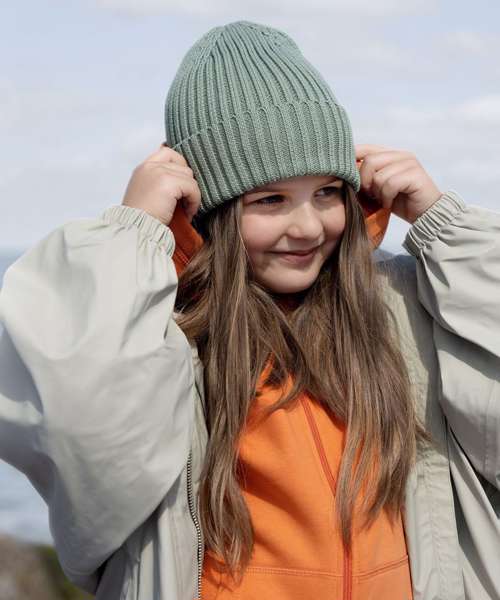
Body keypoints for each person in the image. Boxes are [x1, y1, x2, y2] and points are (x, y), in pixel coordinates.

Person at [0, 19, 499, 600]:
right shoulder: (166, 334)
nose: (307, 226)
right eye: (270, 199)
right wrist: (130, 235)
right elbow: (80, 439)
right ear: (210, 208)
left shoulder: (398, 310)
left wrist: (447, 230)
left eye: (326, 192)